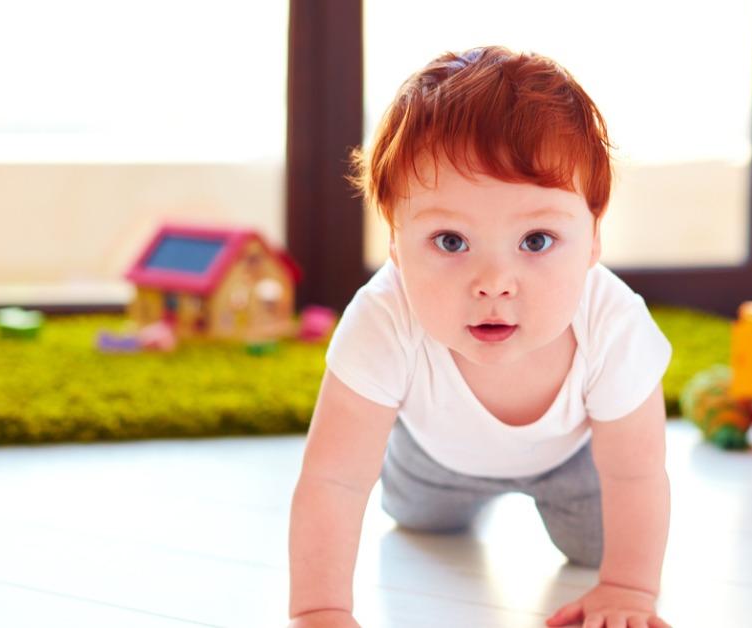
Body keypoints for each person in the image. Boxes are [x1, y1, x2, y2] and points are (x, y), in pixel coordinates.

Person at [288, 45, 673, 628]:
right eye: (450, 242)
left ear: (594, 239)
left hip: (575, 464)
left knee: (600, 548)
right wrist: (318, 612)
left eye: (537, 241)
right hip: (430, 460)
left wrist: (627, 589)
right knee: (419, 521)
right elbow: (333, 479)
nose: (493, 284)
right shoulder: (383, 318)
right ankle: (420, 485)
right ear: (395, 243)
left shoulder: (613, 322)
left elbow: (636, 473)